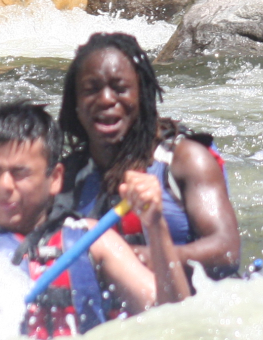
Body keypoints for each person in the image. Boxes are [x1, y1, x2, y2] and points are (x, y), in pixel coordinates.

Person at [0, 102, 188, 338]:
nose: (5, 185)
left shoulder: (93, 241)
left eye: (20, 173)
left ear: (54, 179)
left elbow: (175, 315)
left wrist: (155, 225)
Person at [59, 33, 241, 279]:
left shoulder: (185, 160)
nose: (105, 99)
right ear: (75, 104)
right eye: (91, 90)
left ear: (142, 95)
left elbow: (226, 252)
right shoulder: (67, 176)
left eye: (120, 88)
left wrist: (124, 258)